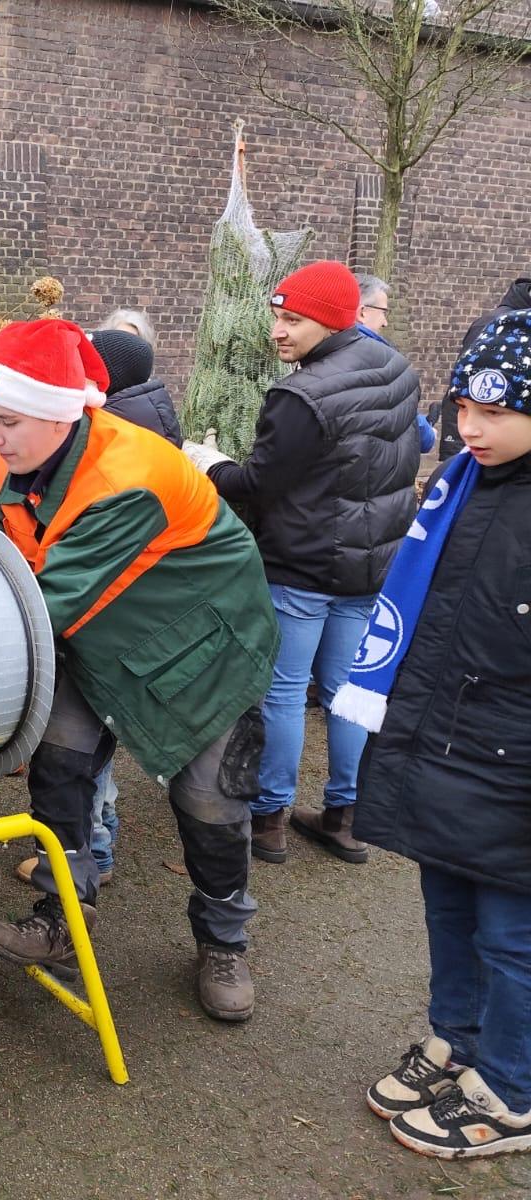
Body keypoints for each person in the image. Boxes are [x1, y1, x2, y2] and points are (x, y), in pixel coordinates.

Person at [0, 319, 278, 1022]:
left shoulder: (126, 479)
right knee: (60, 760)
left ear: (59, 414)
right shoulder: (10, 462)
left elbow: (41, 603)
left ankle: (223, 941)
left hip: (201, 642)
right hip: (98, 630)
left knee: (210, 799)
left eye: (7, 421)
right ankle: (63, 916)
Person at [339, 312, 531, 1159]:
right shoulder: (464, 481)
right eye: (462, 406)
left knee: (513, 936)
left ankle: (516, 1088)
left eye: (495, 412)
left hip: (514, 763)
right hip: (449, 746)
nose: (469, 428)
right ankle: (459, 1039)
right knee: (448, 908)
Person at [185, 260, 420, 866]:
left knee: (284, 693)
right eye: (276, 317)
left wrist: (204, 462)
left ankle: (269, 819)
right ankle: (346, 815)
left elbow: (257, 485)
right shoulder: (393, 367)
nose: (278, 331)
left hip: (304, 566)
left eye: (293, 319)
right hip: (372, 566)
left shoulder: (299, 396)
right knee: (346, 690)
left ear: (331, 319)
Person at [9, 328, 181, 889]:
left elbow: (74, 569)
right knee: (90, 753)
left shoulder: (119, 456)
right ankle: (93, 851)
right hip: (112, 621)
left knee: (85, 753)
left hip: (103, 628)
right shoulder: (148, 423)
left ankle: (95, 854)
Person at [434, 275, 531, 460]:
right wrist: (453, 453)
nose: (468, 430)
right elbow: (470, 392)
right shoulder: (495, 326)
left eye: (493, 412)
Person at [356, 273, 435, 453]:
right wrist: (429, 432)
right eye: (383, 312)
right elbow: (416, 430)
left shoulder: (321, 348)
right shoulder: (381, 361)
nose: (385, 322)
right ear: (362, 312)